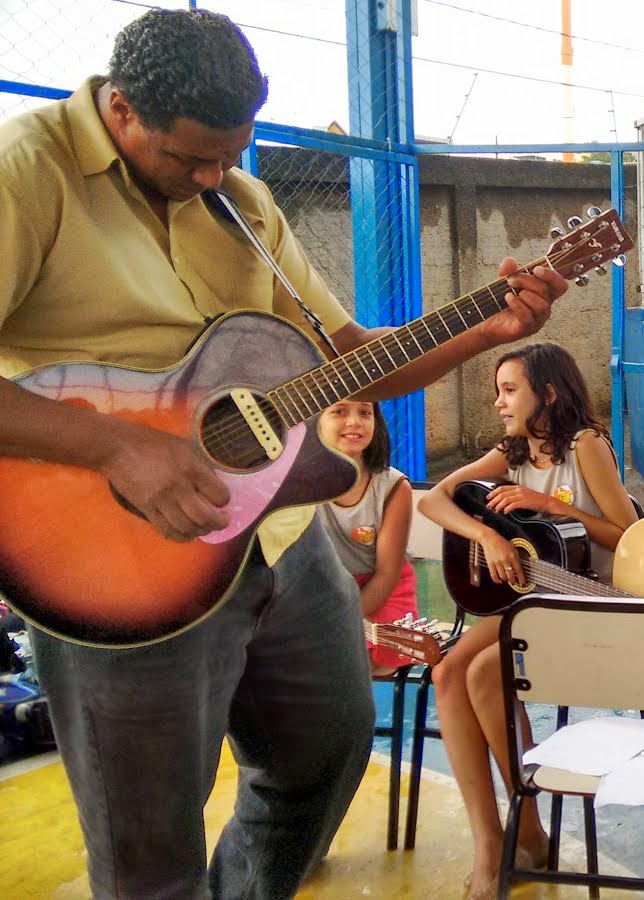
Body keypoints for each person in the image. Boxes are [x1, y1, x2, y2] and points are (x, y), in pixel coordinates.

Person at [0, 10, 566, 898]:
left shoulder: (241, 202)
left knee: (326, 754)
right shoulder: (24, 172)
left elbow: (351, 360)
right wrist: (118, 446)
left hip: (274, 535)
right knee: (148, 849)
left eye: (230, 151)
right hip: (109, 555)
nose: (212, 174)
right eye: (190, 157)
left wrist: (488, 326)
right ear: (120, 111)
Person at [418, 342, 637, 900]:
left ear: (549, 393)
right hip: (529, 601)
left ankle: (529, 826)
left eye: (509, 389)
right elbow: (435, 501)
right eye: (497, 391)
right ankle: (492, 841)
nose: (498, 402)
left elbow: (626, 535)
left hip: (585, 597)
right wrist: (487, 535)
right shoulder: (513, 451)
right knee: (446, 673)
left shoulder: (585, 445)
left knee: (482, 674)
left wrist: (558, 509)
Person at [313, 400, 419, 676]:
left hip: (382, 591)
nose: (355, 422)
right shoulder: (299, 484)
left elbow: (387, 575)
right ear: (316, 421)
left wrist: (341, 618)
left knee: (344, 659)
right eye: (339, 411)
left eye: (365, 413)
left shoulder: (393, 487)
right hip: (323, 590)